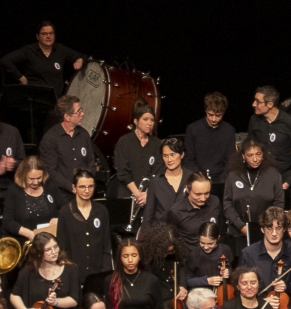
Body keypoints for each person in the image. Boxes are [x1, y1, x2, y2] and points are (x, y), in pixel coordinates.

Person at [111, 101, 162, 231]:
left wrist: (148, 195)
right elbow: (123, 172)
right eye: (145, 119)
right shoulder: (124, 142)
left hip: (149, 197)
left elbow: (158, 172)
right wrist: (138, 195)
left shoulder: (157, 144)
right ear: (135, 121)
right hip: (128, 195)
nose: (149, 123)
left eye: (152, 120)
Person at [39, 95, 99, 204]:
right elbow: (51, 171)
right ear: (67, 117)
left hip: (85, 193)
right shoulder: (51, 138)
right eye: (79, 111)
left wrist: (86, 185)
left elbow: (91, 162)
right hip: (62, 196)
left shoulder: (84, 134)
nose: (82, 114)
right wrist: (71, 187)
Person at [0, 20, 83, 98]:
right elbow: (6, 60)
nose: (48, 36)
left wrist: (79, 60)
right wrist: (21, 77)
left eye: (51, 33)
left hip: (55, 98)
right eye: (44, 34)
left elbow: (83, 56)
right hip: (35, 97)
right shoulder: (29, 50)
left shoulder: (60, 50)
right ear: (37, 36)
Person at [239, 207, 291, 307]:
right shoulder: (248, 254)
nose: (274, 233)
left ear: (284, 229)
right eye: (269, 228)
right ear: (262, 229)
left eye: (278, 228)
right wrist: (261, 302)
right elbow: (241, 288)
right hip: (257, 308)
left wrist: (287, 286)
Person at [223, 136, 283, 243]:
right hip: (238, 233)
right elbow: (227, 204)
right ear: (243, 156)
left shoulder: (273, 174)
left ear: (263, 154)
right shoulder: (233, 175)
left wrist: (267, 226)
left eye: (258, 154)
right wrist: (241, 226)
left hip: (267, 233)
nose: (255, 159)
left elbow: (279, 203)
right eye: (250, 155)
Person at [248, 86, 291, 193]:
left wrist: (289, 181)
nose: (253, 104)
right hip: (259, 177)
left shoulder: (290, 123)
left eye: (258, 101)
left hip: (282, 178)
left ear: (270, 104)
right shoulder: (254, 120)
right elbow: (249, 147)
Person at [57, 169, 113, 277]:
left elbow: (106, 245)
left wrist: (105, 272)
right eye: (82, 187)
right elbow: (62, 247)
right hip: (74, 273)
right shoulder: (65, 212)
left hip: (98, 273)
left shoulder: (101, 211)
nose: (87, 191)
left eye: (90, 186)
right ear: (74, 188)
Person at [138, 137, 195, 231]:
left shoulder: (192, 178)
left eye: (172, 155)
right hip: (161, 233)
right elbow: (148, 215)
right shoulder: (156, 181)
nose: (169, 159)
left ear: (182, 155)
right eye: (165, 155)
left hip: (186, 233)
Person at [168, 175, 224, 264]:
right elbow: (175, 241)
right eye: (198, 194)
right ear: (187, 189)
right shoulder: (176, 211)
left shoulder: (215, 202)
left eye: (207, 193)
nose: (203, 198)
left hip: (215, 260)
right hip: (189, 262)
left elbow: (221, 230)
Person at [2, 157, 59, 241]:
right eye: (31, 179)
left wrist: (58, 218)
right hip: (24, 241)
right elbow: (7, 221)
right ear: (23, 175)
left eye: (39, 178)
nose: (36, 182)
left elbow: (66, 208)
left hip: (50, 241)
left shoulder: (50, 186)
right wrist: (27, 233)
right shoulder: (14, 191)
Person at [185, 92, 237, 181]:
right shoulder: (193, 129)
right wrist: (199, 177)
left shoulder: (229, 130)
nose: (214, 119)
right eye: (211, 115)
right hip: (198, 179)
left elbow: (230, 160)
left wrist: (223, 180)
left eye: (218, 115)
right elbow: (189, 160)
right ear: (206, 111)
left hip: (222, 179)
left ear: (223, 113)